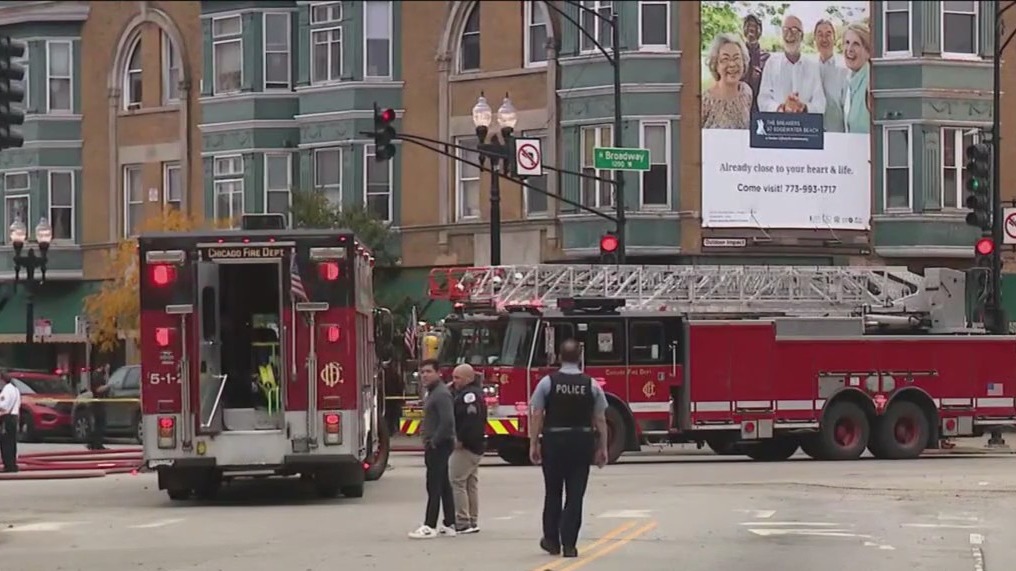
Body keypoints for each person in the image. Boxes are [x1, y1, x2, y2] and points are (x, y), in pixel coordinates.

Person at [529, 340, 609, 558]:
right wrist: (602, 447)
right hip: (581, 442)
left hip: (554, 441)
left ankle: (551, 540)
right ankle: (570, 544)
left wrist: (534, 443)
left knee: (553, 492)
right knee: (575, 495)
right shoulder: (591, 385)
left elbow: (537, 414)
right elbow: (600, 418)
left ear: (559, 357)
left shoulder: (547, 383)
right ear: (580, 357)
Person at [408, 359, 457, 539]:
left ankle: (430, 525)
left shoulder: (441, 394)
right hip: (438, 443)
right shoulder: (433, 393)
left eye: (429, 371)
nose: (424, 375)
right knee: (443, 484)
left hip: (439, 444)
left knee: (433, 485)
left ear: (438, 373)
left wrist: (434, 441)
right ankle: (450, 523)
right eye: (422, 372)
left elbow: (448, 421)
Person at [757, 14, 826, 115]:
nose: (789, 34)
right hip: (778, 123)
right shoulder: (771, 64)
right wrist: (782, 108)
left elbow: (820, 104)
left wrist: (803, 108)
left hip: (805, 123)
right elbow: (763, 100)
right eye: (785, 30)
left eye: (794, 30)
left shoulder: (812, 67)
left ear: (802, 36)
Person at [449, 363, 486, 534]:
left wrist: (461, 439)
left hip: (467, 446)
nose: (454, 381)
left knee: (457, 481)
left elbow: (471, 421)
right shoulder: (474, 393)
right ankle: (472, 519)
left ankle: (462, 520)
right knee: (471, 483)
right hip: (476, 446)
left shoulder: (468, 396)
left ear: (469, 378)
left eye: (457, 377)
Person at [702, 32, 752, 130]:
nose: (732, 64)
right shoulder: (705, 101)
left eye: (736, 58)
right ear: (715, 64)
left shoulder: (746, 92)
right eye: (725, 59)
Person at [814, 19, 848, 133]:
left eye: (828, 34)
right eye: (820, 35)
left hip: (837, 133)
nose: (824, 39)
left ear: (834, 38)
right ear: (815, 39)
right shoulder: (809, 68)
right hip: (813, 132)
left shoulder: (844, 69)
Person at [841, 23, 871, 134]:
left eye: (856, 44)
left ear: (868, 52)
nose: (849, 49)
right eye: (847, 43)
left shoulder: (871, 83)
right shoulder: (849, 80)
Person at [740, 14, 770, 115]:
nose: (751, 29)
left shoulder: (767, 58)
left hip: (759, 108)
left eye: (755, 26)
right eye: (748, 25)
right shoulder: (737, 55)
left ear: (760, 31)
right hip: (740, 106)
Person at [0, 370, 21, 473]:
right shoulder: (15, 389)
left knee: (5, 443)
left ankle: (8, 465)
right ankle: (12, 464)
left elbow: (3, 406)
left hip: (6, 419)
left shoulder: (7, 390)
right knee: (12, 443)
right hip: (14, 417)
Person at [87, 364, 110, 451]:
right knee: (99, 424)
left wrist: (107, 374)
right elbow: (97, 389)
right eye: (107, 367)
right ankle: (94, 443)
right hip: (97, 404)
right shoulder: (96, 375)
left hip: (101, 403)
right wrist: (107, 386)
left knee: (100, 424)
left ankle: (97, 443)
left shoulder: (102, 375)